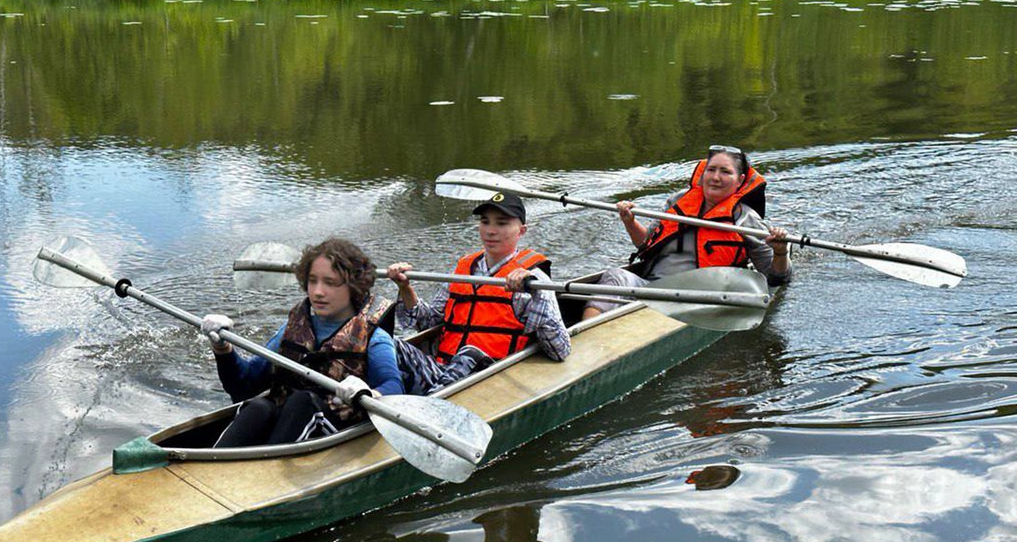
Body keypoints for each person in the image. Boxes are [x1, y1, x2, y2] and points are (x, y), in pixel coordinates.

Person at [202, 237, 403, 447]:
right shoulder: (293, 328)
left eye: (330, 283)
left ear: (353, 286)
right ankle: (211, 465)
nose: (317, 291)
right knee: (259, 407)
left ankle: (269, 468)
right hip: (290, 423)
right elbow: (244, 384)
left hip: (337, 426)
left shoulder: (374, 337)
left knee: (303, 401)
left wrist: (370, 393)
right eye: (312, 280)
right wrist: (223, 348)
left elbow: (394, 386)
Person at [385, 193, 571, 395]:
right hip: (442, 372)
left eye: (501, 223)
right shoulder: (464, 270)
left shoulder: (535, 281)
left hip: (490, 377)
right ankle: (371, 400)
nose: (491, 231)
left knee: (470, 353)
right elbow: (429, 322)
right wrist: (404, 287)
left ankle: (428, 403)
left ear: (521, 231)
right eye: (485, 222)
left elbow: (559, 350)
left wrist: (537, 293)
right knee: (385, 343)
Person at [582, 145, 793, 319]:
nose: (715, 177)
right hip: (654, 286)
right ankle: (588, 335)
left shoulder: (746, 219)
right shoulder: (679, 202)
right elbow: (645, 244)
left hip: (700, 299)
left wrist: (781, 253)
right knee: (615, 276)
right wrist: (630, 222)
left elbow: (775, 279)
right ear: (703, 173)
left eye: (725, 171)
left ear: (739, 180)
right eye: (711, 170)